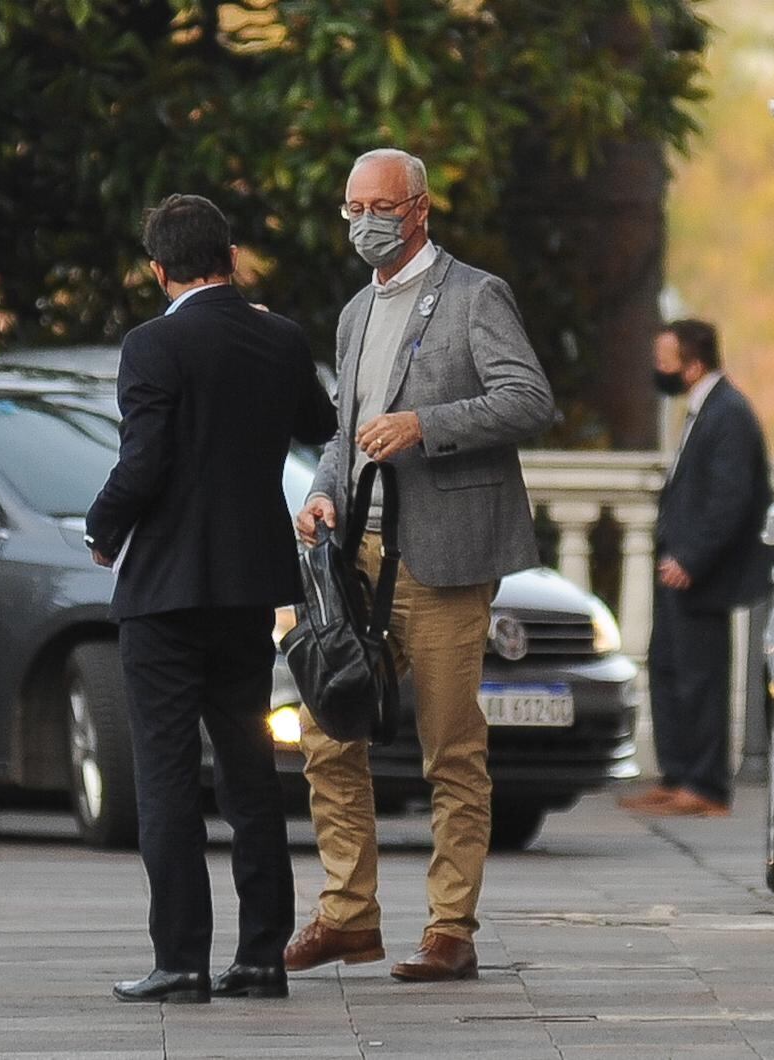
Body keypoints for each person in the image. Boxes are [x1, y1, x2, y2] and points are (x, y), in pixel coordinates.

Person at [289, 148, 555, 982]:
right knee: (328, 732)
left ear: (420, 209)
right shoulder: (353, 313)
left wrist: (424, 424)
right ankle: (347, 913)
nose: (365, 221)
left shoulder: (476, 296)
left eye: (381, 205)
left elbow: (529, 401)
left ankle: (451, 928)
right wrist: (327, 493)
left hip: (444, 559)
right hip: (356, 555)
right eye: (352, 206)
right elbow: (344, 429)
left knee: (450, 746)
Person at [85, 193, 337, 1003]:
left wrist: (103, 526)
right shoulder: (280, 338)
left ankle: (181, 960)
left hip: (164, 590)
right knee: (249, 771)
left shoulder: (153, 345)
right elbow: (318, 421)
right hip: (248, 586)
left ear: (159, 270)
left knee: (164, 776)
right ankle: (263, 956)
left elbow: (144, 461)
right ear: (230, 258)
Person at [621, 320, 774, 817]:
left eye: (664, 358)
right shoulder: (704, 409)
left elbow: (730, 499)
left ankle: (705, 786)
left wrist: (692, 558)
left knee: (700, 678)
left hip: (700, 574)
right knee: (667, 669)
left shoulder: (728, 413)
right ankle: (678, 775)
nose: (657, 369)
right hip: (678, 568)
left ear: (693, 363)